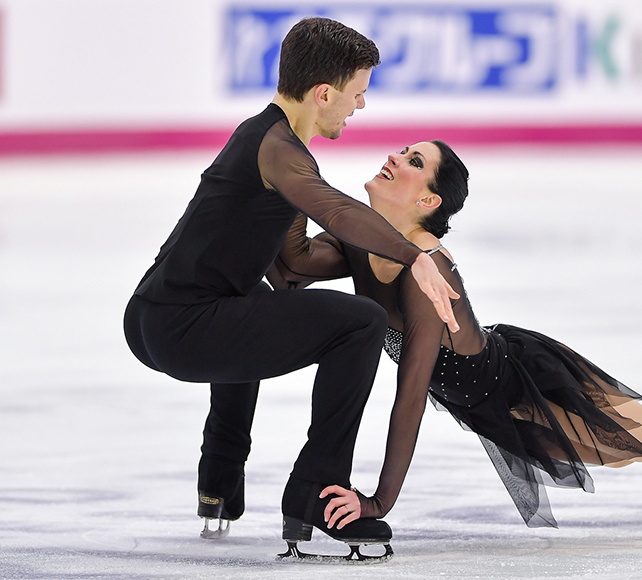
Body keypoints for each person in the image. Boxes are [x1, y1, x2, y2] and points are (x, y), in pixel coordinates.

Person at [266, 140, 642, 539]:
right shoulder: (363, 239)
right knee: (640, 434)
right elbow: (290, 265)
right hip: (492, 400)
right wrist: (291, 178)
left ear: (427, 201)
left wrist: (380, 501)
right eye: (402, 150)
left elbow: (411, 392)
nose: (396, 156)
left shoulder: (430, 271)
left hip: (523, 388)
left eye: (414, 160)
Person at [122, 18, 461, 547]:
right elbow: (335, 208)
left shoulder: (268, 141)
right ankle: (316, 490)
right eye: (358, 93)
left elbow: (289, 269)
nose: (361, 106)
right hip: (179, 327)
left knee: (249, 300)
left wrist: (374, 259)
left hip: (157, 316)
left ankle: (219, 480)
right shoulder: (279, 149)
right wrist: (411, 257)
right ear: (325, 93)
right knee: (361, 323)